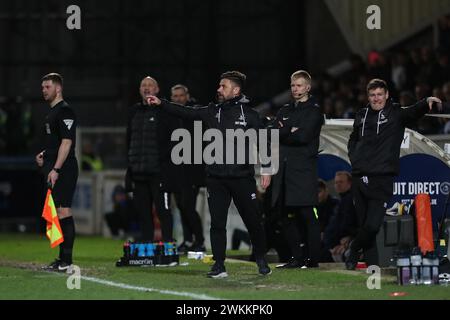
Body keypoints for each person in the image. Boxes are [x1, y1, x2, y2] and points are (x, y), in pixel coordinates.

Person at [146, 71, 272, 277]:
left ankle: (260, 258)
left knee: (253, 221)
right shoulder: (212, 111)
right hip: (216, 177)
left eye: (223, 86)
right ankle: (219, 265)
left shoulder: (250, 114)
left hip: (242, 178)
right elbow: (185, 112)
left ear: (236, 90)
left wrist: (267, 169)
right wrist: (161, 103)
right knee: (217, 223)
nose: (218, 89)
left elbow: (264, 141)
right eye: (219, 86)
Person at [346, 78, 442, 270]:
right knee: (365, 226)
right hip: (359, 177)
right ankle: (373, 271)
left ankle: (354, 247)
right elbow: (353, 139)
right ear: (368, 96)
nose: (376, 99)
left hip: (382, 178)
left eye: (380, 94)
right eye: (372, 95)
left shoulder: (396, 113)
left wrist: (426, 101)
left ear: (387, 95)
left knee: (372, 225)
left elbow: (413, 111)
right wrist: (355, 158)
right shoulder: (361, 114)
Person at [272, 70, 324, 269]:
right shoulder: (285, 109)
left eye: (299, 85)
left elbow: (303, 137)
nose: (295, 89)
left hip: (303, 171)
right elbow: (272, 132)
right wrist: (288, 130)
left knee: (307, 215)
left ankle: (313, 260)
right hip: (284, 171)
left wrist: (284, 131)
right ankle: (296, 257)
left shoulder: (314, 110)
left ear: (308, 87)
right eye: (293, 85)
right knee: (283, 217)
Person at [125, 76, 178, 242]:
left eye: (150, 85)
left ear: (157, 90)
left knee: (163, 211)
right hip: (139, 174)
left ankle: (168, 247)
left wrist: (168, 170)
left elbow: (172, 143)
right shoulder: (133, 112)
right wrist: (130, 171)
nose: (146, 88)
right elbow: (129, 142)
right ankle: (146, 249)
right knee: (143, 214)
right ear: (140, 90)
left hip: (159, 173)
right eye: (143, 85)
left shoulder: (165, 111)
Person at [36, 73, 78, 273]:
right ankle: (62, 259)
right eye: (43, 87)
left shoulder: (65, 111)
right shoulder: (52, 113)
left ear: (58, 88)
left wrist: (56, 169)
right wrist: (46, 154)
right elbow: (57, 142)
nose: (44, 90)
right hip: (56, 167)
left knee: (63, 211)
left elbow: (67, 142)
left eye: (47, 87)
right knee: (59, 213)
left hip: (65, 169)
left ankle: (67, 261)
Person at [170, 84, 206, 253]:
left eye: (180, 95)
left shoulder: (195, 113)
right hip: (176, 168)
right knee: (181, 206)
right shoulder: (170, 114)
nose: (178, 99)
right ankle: (187, 240)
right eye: (175, 96)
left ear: (187, 96)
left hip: (192, 168)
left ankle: (199, 241)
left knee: (187, 205)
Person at [323, 171, 357, 262]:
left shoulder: (351, 200)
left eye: (341, 182)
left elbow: (348, 223)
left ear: (349, 183)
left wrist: (348, 239)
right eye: (336, 182)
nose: (338, 185)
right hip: (332, 245)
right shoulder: (342, 200)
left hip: (340, 245)